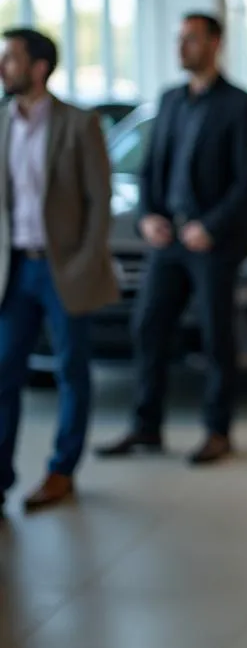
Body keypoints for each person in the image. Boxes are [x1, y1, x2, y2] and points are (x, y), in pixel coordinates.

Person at [97, 14, 247, 466]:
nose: (182, 47)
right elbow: (152, 166)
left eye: (191, 39)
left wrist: (210, 225)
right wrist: (150, 215)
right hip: (167, 240)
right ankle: (146, 425)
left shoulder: (240, 104)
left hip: (212, 242)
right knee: (149, 326)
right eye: (179, 39)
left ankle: (217, 430)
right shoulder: (170, 100)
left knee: (215, 336)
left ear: (215, 43)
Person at [0, 28, 118, 514]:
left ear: (40, 68)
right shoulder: (2, 122)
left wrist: (84, 262)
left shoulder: (77, 123)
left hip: (62, 270)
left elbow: (99, 201)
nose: (3, 67)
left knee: (72, 371)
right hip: (13, 273)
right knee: (4, 373)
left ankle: (60, 471)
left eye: (11, 59)